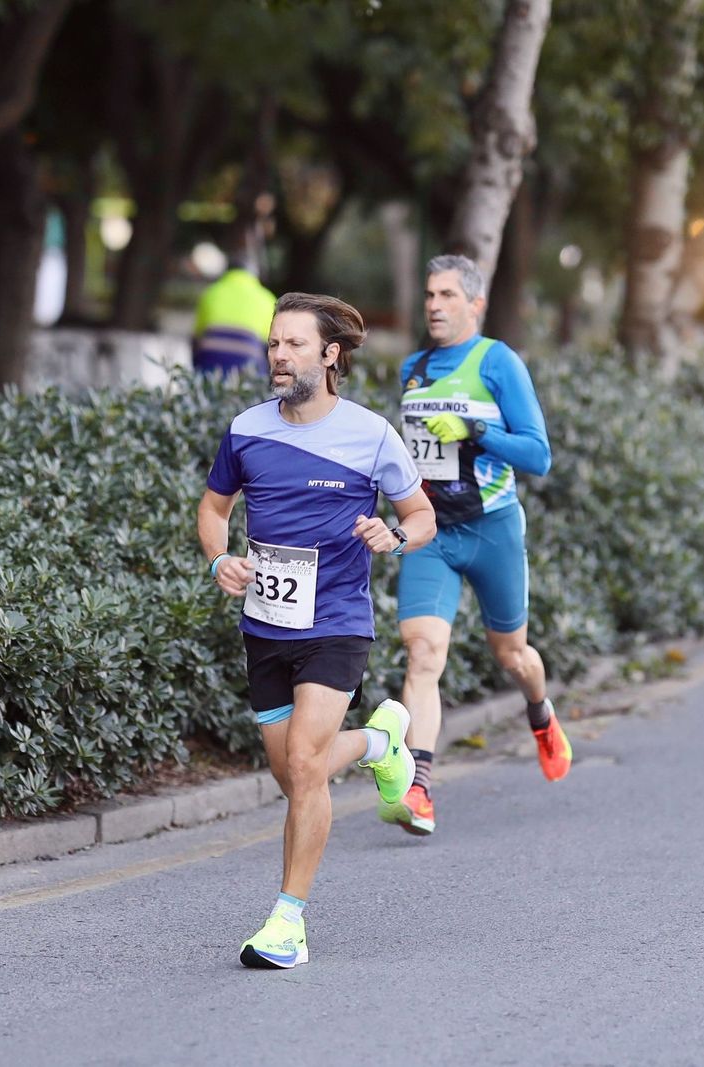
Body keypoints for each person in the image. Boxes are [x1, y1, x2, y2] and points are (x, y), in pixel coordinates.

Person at [197, 292, 437, 969]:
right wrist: (219, 558)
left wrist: (393, 535)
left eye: (294, 344)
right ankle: (381, 742)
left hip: (336, 622)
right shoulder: (246, 430)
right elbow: (213, 509)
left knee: (305, 763)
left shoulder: (371, 435)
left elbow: (421, 516)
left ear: (330, 355)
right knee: (293, 775)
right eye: (274, 343)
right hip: (266, 625)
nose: (279, 355)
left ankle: (287, 923)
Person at [385, 254, 566, 838]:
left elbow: (538, 455)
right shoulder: (414, 367)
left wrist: (476, 430)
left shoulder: (497, 362)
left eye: (447, 295)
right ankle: (419, 788)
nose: (434, 305)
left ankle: (540, 712)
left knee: (513, 657)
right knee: (423, 654)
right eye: (429, 295)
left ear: (475, 304)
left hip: (492, 528)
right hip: (432, 532)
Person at [193, 258, 278, 375]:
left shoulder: (210, 292)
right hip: (248, 364)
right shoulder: (267, 298)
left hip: (208, 362)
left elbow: (196, 337)